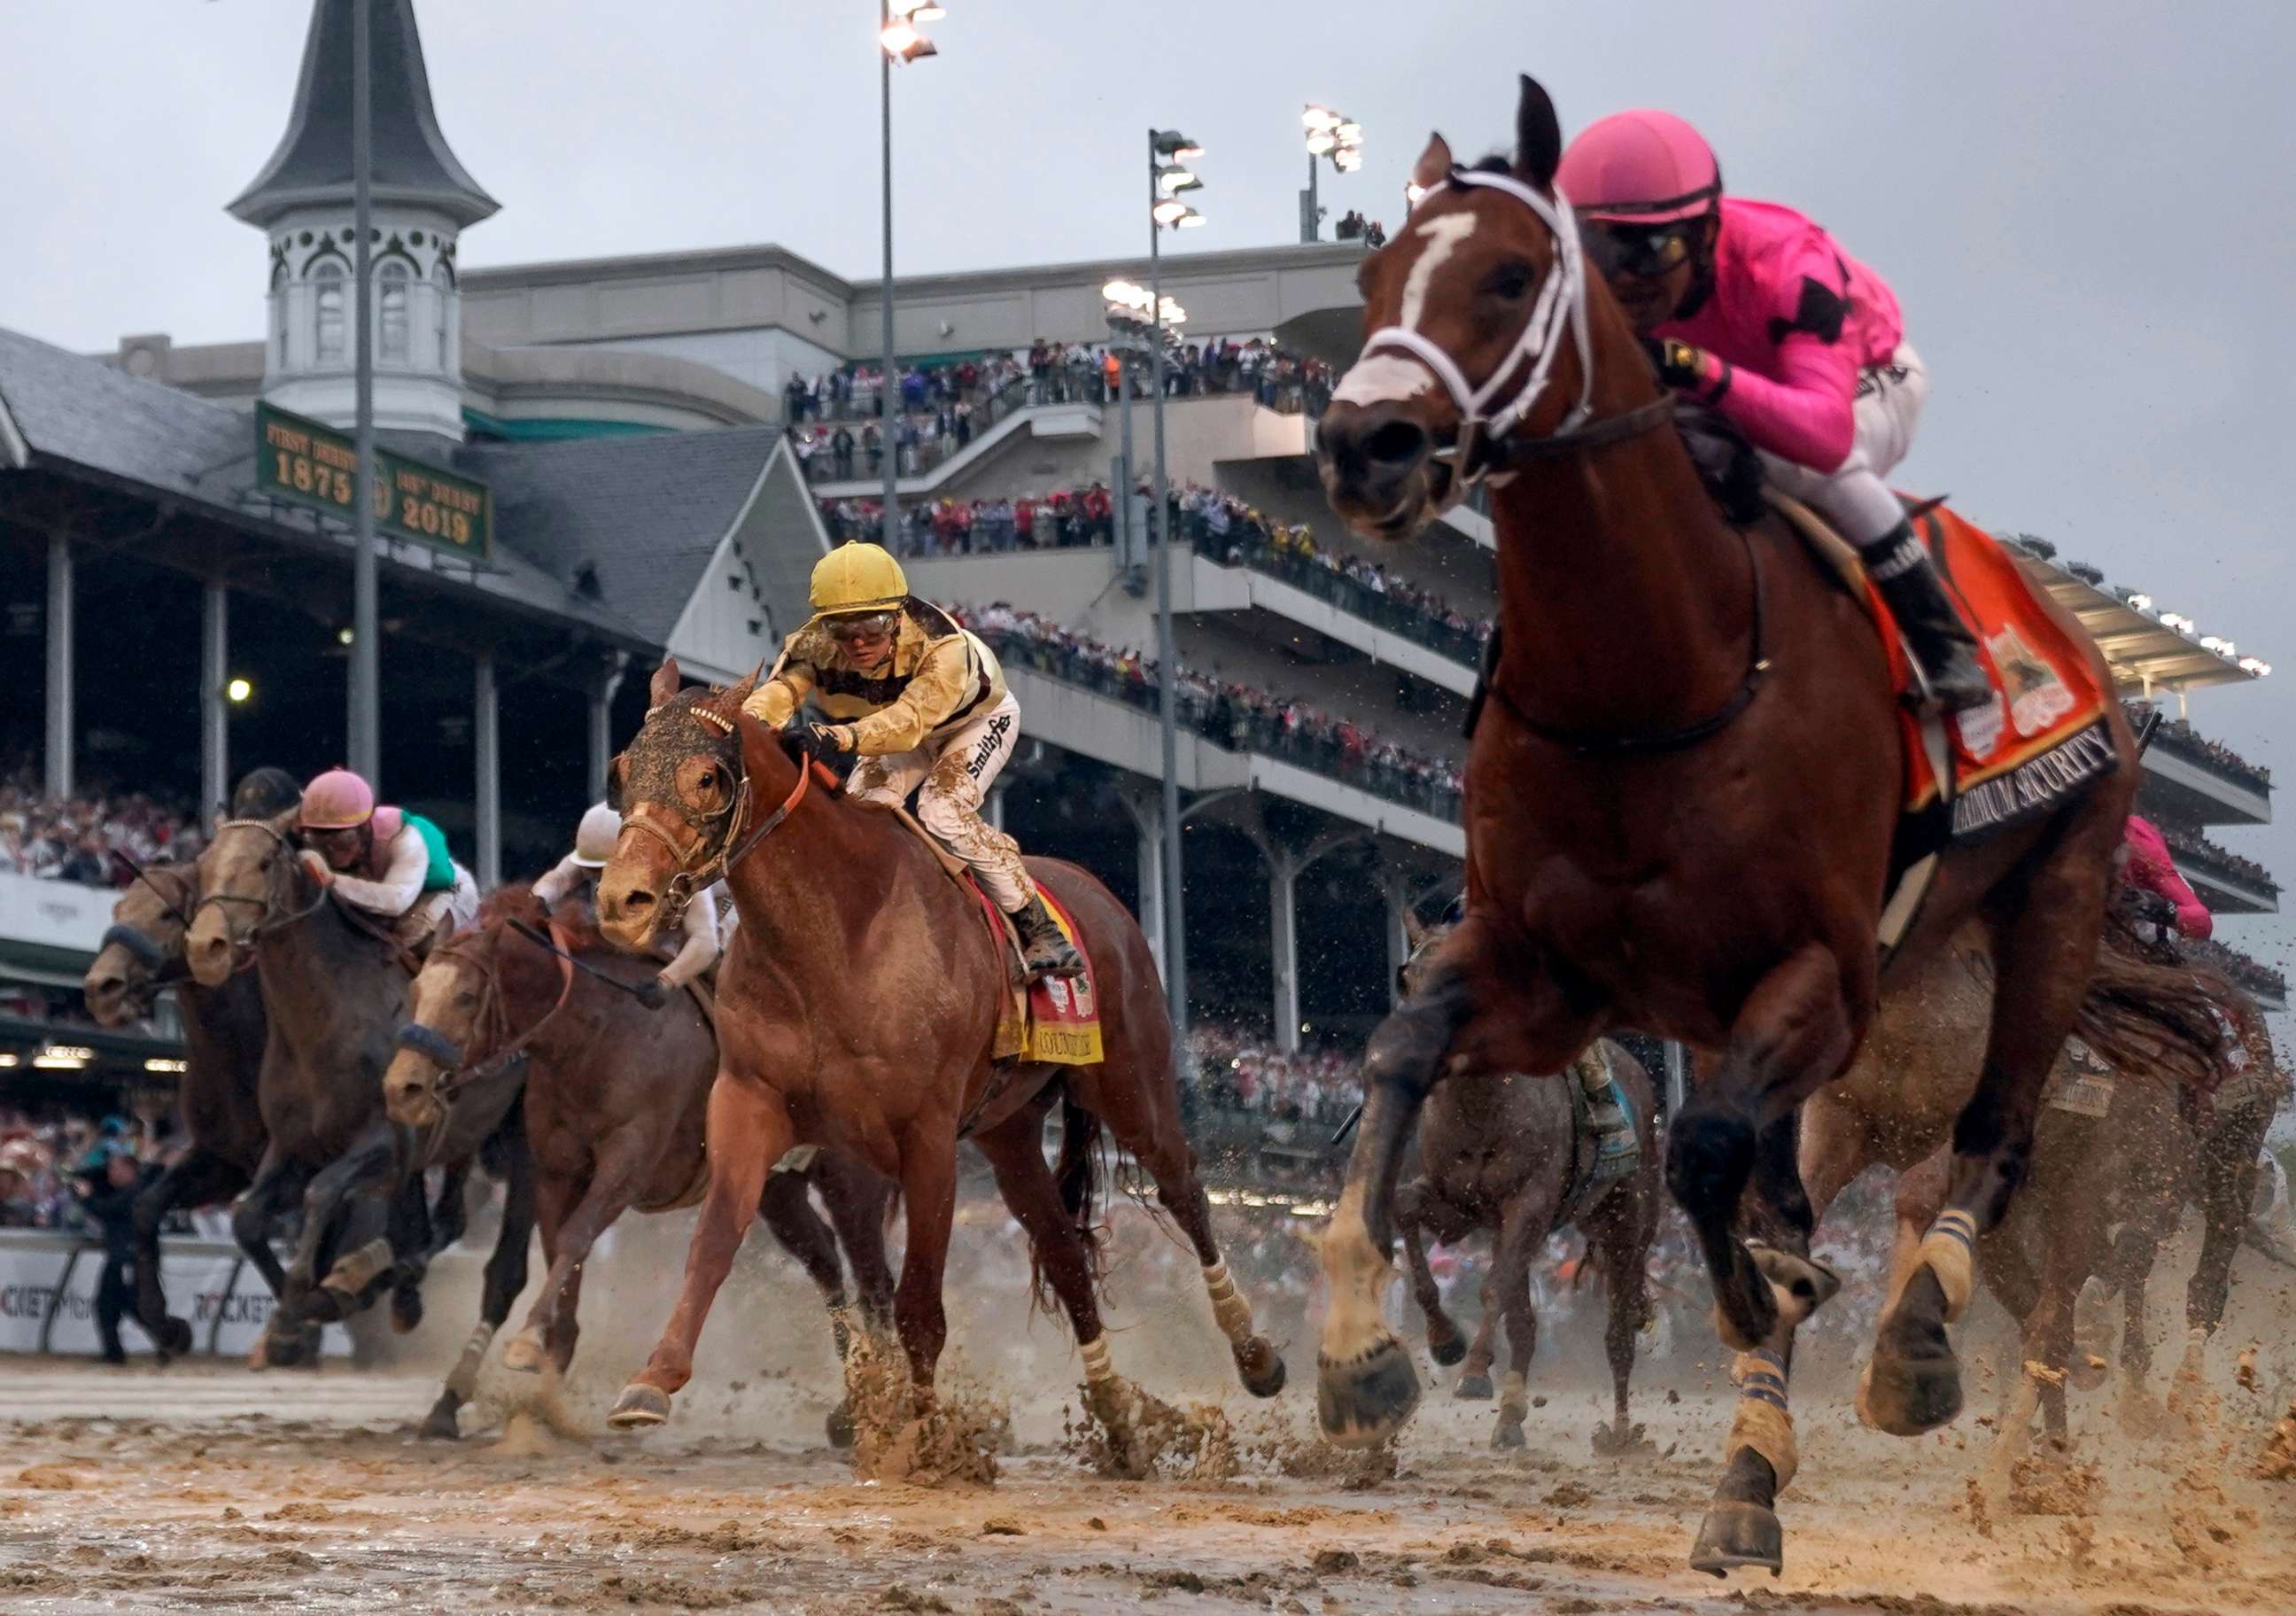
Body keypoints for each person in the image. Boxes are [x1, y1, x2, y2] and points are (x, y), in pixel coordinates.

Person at [1556, 110, 1990, 712]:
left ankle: (1941, 640)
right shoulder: (1586, 275)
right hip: (1728, 383)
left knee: (1789, 461)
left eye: (1653, 250)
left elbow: (1825, 435)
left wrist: (1696, 367)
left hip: (1865, 380)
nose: (1625, 277)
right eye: (1601, 250)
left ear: (1706, 234)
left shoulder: (1789, 266)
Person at [741, 541, 1084, 982]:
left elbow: (909, 723)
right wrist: (745, 724)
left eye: (872, 624)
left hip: (973, 720)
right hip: (897, 726)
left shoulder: (942, 646)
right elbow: (783, 690)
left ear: (898, 615)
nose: (859, 641)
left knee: (942, 811)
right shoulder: (815, 643)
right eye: (842, 631)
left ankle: (1039, 926)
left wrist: (839, 736)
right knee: (861, 808)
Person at [532, 802, 729, 1008]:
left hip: (721, 913)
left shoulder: (681, 868)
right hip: (666, 916)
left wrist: (666, 982)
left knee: (720, 980)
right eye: (595, 873)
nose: (601, 879)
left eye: (605, 872)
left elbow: (705, 942)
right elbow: (562, 877)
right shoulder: (598, 848)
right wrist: (537, 898)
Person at [294, 768, 479, 948]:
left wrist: (333, 881)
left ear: (365, 828)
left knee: (418, 940)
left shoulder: (407, 839)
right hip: (382, 889)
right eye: (318, 841)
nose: (332, 851)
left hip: (443, 893)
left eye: (343, 840)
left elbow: (396, 901)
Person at [72, 1145, 152, 1365]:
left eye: (115, 1169)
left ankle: (163, 1342)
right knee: (113, 1305)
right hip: (122, 1256)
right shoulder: (131, 1189)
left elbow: (108, 1210)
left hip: (127, 1257)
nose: (110, 1174)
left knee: (125, 1304)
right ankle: (115, 1352)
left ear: (130, 1170)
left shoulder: (136, 1192)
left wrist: (87, 1198)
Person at [2121, 813, 2213, 941]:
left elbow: (2203, 923)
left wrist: (2167, 913)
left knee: (2148, 935)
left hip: (2150, 890)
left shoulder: (2148, 857)